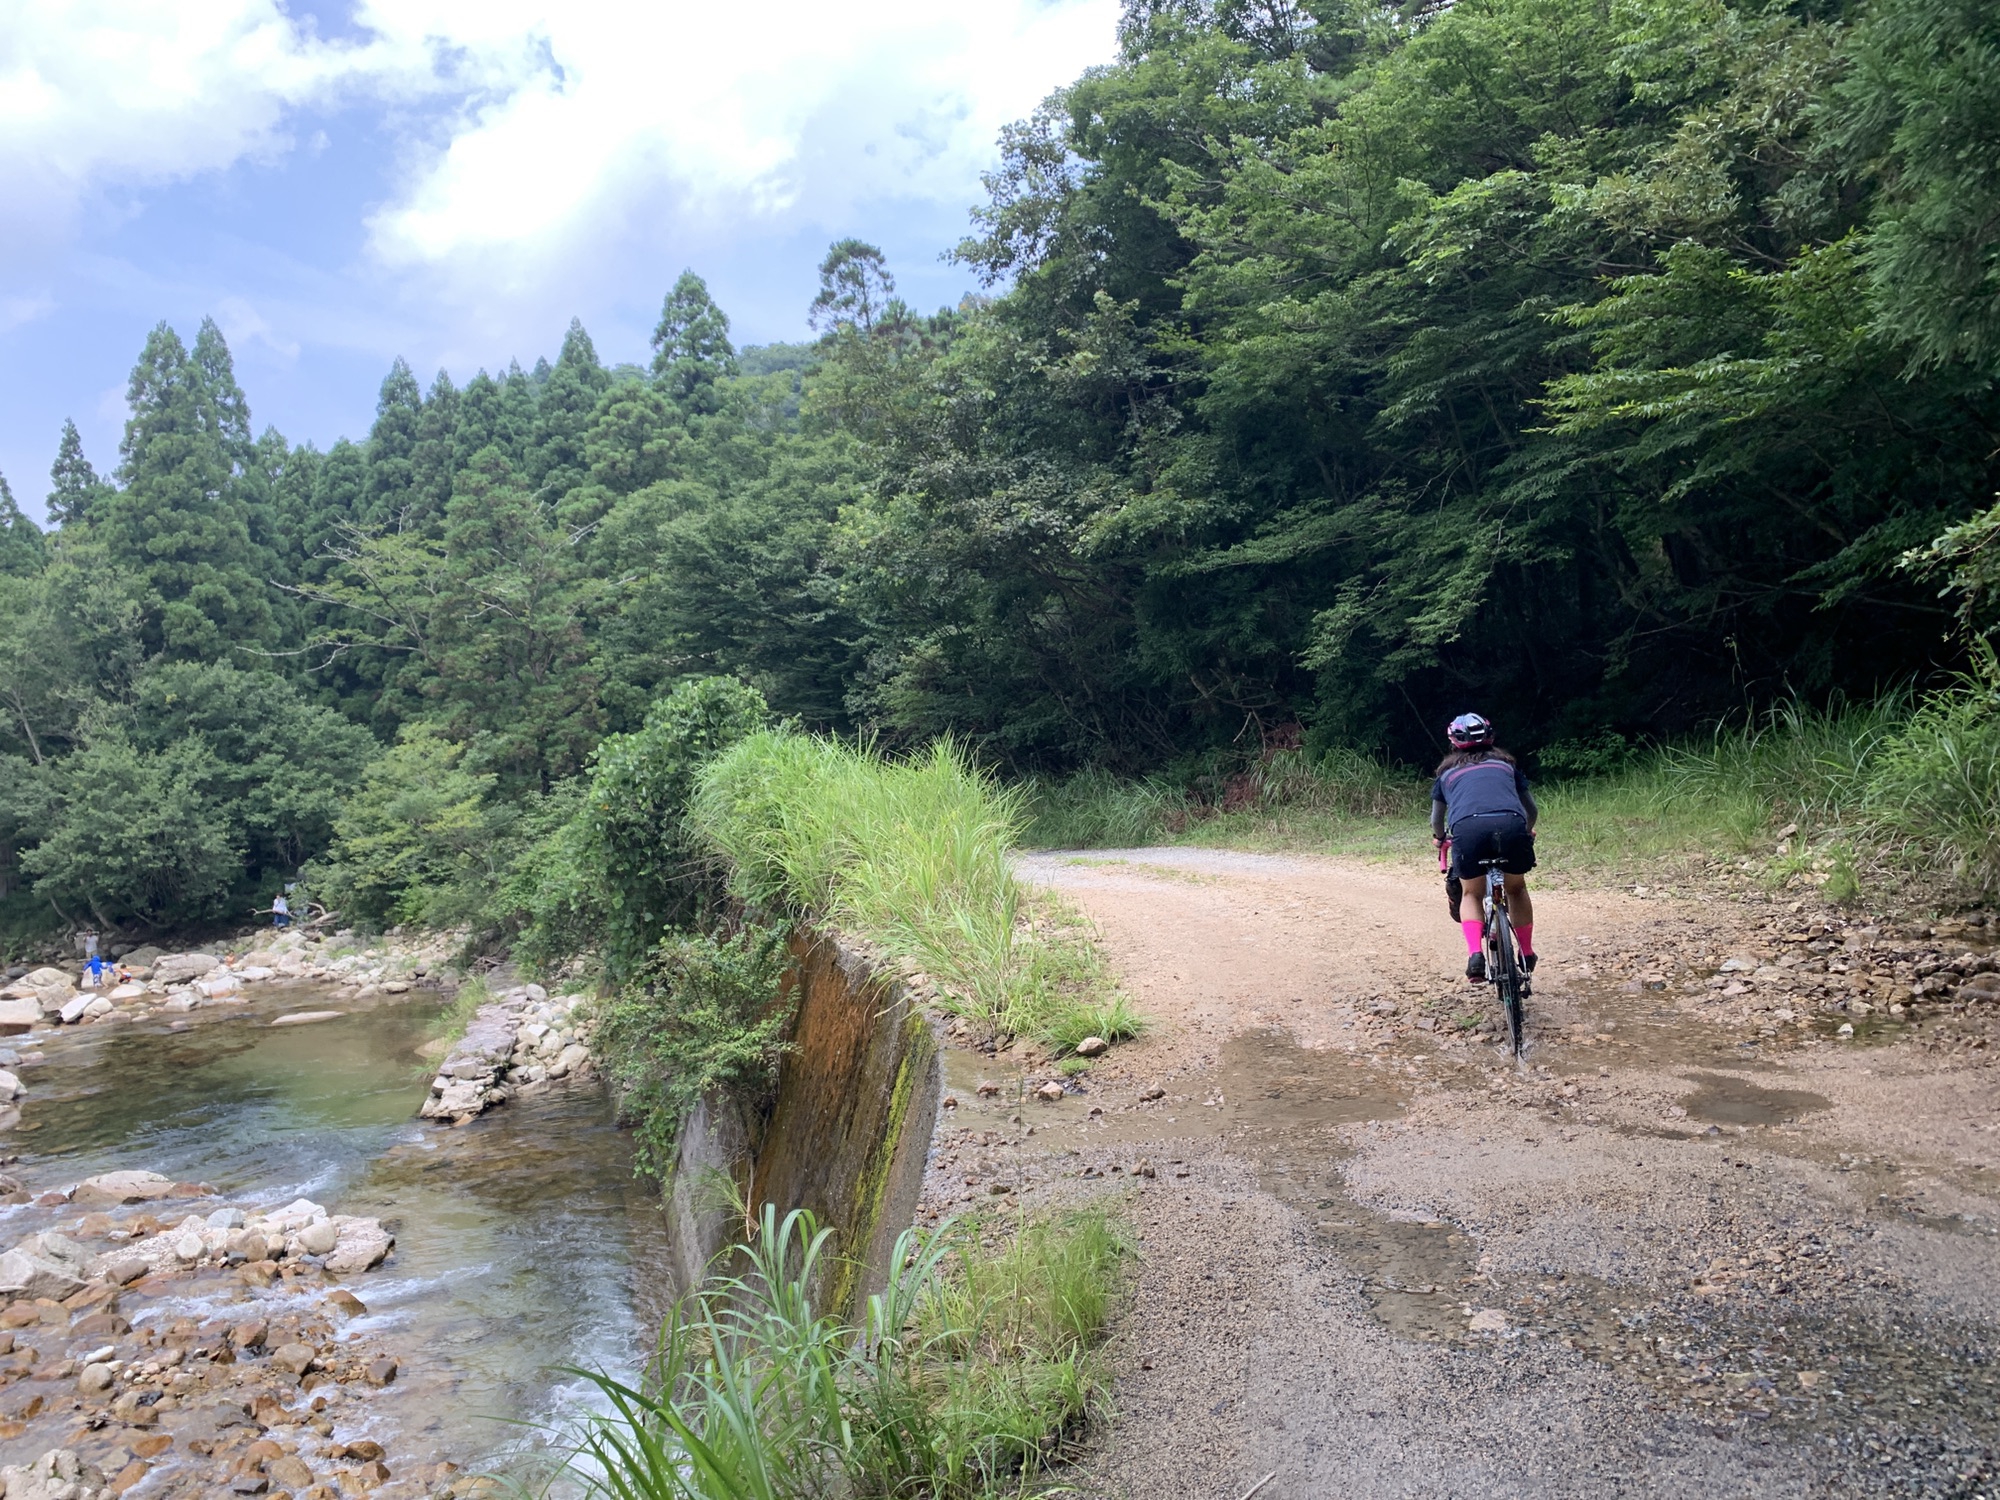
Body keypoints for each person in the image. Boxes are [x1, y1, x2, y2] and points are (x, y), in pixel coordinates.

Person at [1430, 712, 1537, 983]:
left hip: (1468, 831)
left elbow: (1437, 819)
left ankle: (1475, 955)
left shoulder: (1446, 774)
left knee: (1471, 894)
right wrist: (1526, 830)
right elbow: (1530, 809)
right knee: (1516, 888)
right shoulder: (1506, 765)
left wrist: (1440, 838)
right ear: (1490, 738)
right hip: (1511, 825)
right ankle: (1525, 951)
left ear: (1453, 742)